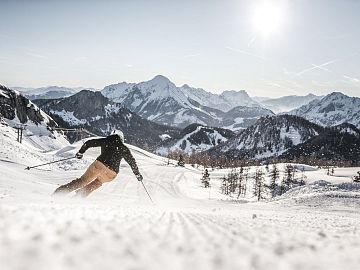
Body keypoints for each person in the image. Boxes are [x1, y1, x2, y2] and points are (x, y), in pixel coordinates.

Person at [53, 130, 143, 197]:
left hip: (100, 165)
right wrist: (137, 174)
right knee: (97, 182)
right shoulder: (124, 148)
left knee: (83, 181)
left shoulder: (106, 140)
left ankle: (59, 193)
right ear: (121, 138)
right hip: (112, 173)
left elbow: (88, 143)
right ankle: (79, 196)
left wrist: (80, 152)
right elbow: (132, 162)